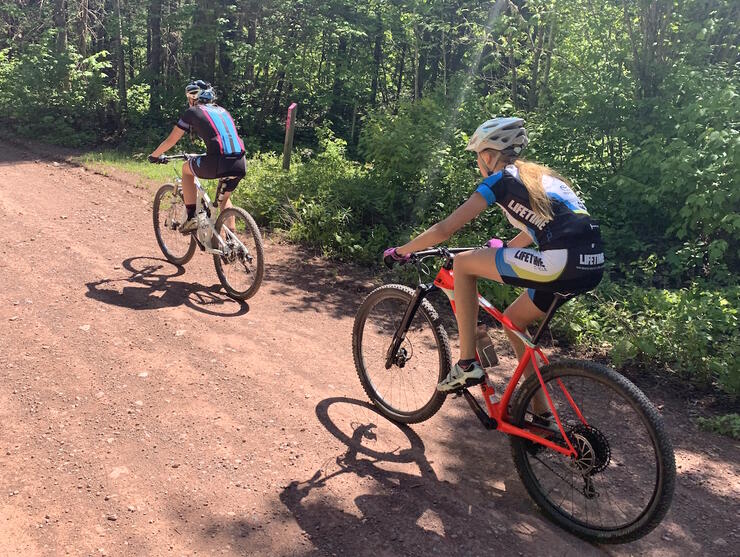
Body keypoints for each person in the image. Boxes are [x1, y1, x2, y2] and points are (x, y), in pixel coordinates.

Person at [383, 117, 604, 403]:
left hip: (559, 263)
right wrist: (504, 248)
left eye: (477, 157)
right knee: (513, 320)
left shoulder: (501, 180)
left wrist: (404, 249)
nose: (478, 163)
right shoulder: (541, 179)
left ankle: (467, 364)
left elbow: (445, 229)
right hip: (590, 264)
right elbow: (538, 229)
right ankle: (540, 413)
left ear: (488, 156)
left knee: (462, 264)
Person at [148, 80, 246, 232]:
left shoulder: (193, 112)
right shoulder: (222, 111)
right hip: (240, 161)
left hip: (217, 161)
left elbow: (171, 140)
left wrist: (154, 156)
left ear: (193, 97)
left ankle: (191, 216)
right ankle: (232, 246)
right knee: (224, 200)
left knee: (186, 169)